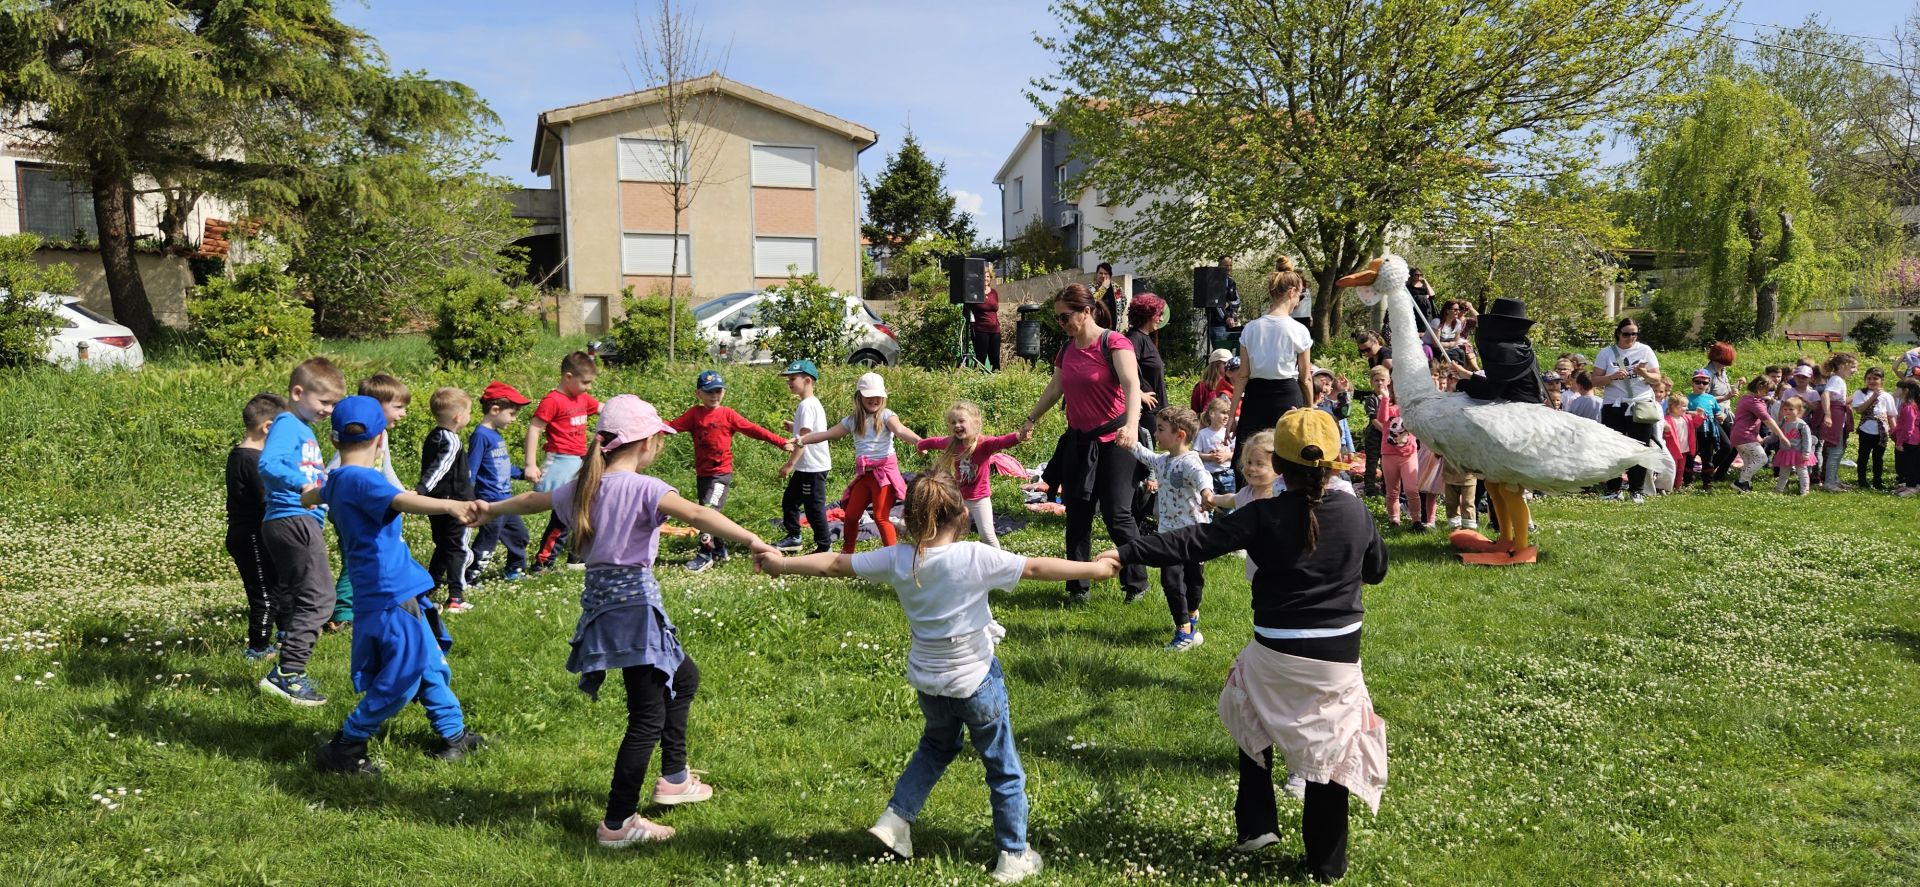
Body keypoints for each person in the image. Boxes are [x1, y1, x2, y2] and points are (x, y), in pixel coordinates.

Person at [757, 472, 1115, 884]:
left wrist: (782, 563)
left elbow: (836, 563)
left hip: (929, 682)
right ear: (962, 516)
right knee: (1004, 768)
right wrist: (1097, 568)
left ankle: (895, 821)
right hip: (976, 681)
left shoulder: (897, 558)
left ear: (908, 517)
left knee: (935, 747)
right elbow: (1034, 567)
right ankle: (1014, 855)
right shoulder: (973, 556)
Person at [1104, 408, 1387, 883]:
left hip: (1273, 655)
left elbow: (1192, 541)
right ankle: (1327, 864)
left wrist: (1126, 551)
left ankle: (1257, 824)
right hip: (1337, 663)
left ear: (1281, 466)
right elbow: (1376, 570)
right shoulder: (1356, 512)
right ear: (1334, 464)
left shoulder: (1262, 514)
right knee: (1334, 752)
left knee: (1242, 701)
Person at [483, 395, 781, 847]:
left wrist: (490, 508)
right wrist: (754, 540)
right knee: (646, 715)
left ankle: (675, 778)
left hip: (607, 605)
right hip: (635, 608)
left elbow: (530, 499)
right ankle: (618, 823)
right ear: (646, 445)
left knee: (684, 678)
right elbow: (700, 514)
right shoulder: (646, 488)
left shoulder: (584, 485)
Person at [308, 396, 485, 774]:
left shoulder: (338, 479)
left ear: (335, 441)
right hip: (390, 596)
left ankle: (454, 735)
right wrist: (450, 506)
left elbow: (316, 494)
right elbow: (401, 500)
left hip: (395, 590)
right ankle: (346, 744)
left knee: (428, 665)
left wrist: (300, 498)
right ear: (381, 437)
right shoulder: (365, 480)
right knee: (402, 676)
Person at [1020, 283, 1146, 604]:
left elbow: (1132, 386)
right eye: (1058, 319)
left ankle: (1136, 583)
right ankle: (1077, 587)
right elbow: (1055, 388)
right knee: (1077, 515)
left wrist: (1132, 426)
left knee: (1118, 515)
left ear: (1086, 311)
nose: (1061, 324)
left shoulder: (1114, 343)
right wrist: (1031, 419)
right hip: (1079, 442)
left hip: (1116, 439)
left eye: (1065, 317)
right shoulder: (1067, 350)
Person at [256, 357, 345, 706]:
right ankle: (287, 674)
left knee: (304, 597)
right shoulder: (288, 425)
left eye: (334, 404)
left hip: (296, 520)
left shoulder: (302, 430)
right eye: (324, 402)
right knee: (322, 599)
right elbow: (268, 464)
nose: (329, 410)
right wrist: (306, 485)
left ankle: (290, 669)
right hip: (293, 518)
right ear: (297, 392)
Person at [668, 369, 793, 572]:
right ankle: (719, 550)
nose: (714, 396)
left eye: (718, 391)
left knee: (707, 512)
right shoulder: (694, 414)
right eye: (709, 392)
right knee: (710, 512)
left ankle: (705, 554)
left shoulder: (728, 415)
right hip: (703, 475)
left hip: (720, 474)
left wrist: (780, 442)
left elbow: (754, 429)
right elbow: (671, 427)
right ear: (698, 393)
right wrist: (646, 427)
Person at [793, 372, 923, 553]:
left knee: (880, 517)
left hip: (883, 476)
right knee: (852, 515)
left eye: (877, 396)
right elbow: (828, 434)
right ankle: (847, 553)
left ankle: (893, 557)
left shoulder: (886, 416)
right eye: (869, 396)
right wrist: (802, 440)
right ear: (859, 397)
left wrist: (918, 441)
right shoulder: (853, 420)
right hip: (864, 476)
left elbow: (901, 430)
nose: (874, 399)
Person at [325, 373, 410, 633]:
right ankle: (342, 612)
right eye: (398, 407)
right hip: (352, 507)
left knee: (371, 555)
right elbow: (333, 472)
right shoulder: (358, 442)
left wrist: (402, 494)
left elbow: (386, 470)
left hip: (368, 505)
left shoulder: (380, 436)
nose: (403, 413)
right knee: (356, 558)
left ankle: (365, 602)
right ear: (375, 406)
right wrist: (328, 502)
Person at [1129, 407, 1214, 651]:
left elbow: (1202, 478)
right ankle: (1183, 630)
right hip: (1167, 535)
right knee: (1170, 580)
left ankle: (1192, 613)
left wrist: (1207, 493)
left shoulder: (1190, 462)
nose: (1156, 434)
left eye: (1161, 429)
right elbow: (1146, 456)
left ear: (1181, 435)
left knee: (1194, 583)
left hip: (1193, 535)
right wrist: (1129, 443)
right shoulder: (1164, 460)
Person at [1230, 257, 1314, 481]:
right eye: (1300, 295)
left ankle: (1247, 505)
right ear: (1292, 292)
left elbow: (1243, 375)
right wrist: (1312, 409)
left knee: (1249, 454)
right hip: (1287, 397)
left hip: (1255, 397)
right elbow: (1305, 378)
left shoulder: (1250, 328)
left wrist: (1231, 416)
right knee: (1288, 455)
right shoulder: (1299, 330)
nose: (1299, 301)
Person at [526, 352, 601, 571]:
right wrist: (531, 463)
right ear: (568, 377)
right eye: (585, 382)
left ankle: (577, 556)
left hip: (580, 460)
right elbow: (535, 428)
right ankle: (543, 561)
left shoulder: (582, 398)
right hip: (561, 461)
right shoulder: (553, 401)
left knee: (584, 507)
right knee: (563, 511)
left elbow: (601, 409)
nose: (588, 387)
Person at [227, 392, 287, 661]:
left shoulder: (244, 455)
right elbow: (268, 501)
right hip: (251, 536)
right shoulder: (252, 461)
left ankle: (287, 633)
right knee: (264, 594)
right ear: (269, 428)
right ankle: (259, 648)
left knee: (281, 585)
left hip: (260, 535)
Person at [915, 401, 1023, 549]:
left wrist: (1018, 436)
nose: (957, 425)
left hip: (980, 498)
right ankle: (953, 559)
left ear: (975, 422)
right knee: (953, 535)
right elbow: (934, 442)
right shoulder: (952, 443)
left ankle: (1000, 561)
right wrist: (920, 446)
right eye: (953, 423)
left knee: (987, 535)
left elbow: (1002, 441)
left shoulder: (984, 444)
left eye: (961, 421)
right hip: (958, 498)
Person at [466, 381, 532, 586]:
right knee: (487, 543)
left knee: (520, 535)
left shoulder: (494, 435)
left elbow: (502, 466)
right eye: (512, 414)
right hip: (490, 502)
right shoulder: (480, 435)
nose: (514, 419)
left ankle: (514, 570)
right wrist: (469, 499)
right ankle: (469, 578)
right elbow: (471, 469)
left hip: (507, 501)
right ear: (495, 409)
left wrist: (523, 474)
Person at [1594, 317, 1662, 502]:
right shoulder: (1606, 353)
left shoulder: (1645, 350)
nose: (1630, 337)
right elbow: (1594, 380)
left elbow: (1657, 379)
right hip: (1614, 405)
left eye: (1634, 334)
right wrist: (1612, 377)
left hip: (1640, 405)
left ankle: (1636, 490)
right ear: (1618, 333)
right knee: (1612, 448)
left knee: (1639, 448)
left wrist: (1643, 373)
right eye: (1626, 334)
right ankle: (1613, 490)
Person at [776, 359, 834, 554]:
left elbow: (805, 439)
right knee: (790, 501)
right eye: (788, 379)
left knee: (813, 508)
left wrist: (789, 464)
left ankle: (824, 546)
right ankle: (794, 537)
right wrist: (794, 427)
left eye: (793, 378)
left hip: (813, 467)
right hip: (806, 466)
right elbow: (809, 430)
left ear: (807, 380)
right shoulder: (807, 404)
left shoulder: (807, 405)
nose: (789, 383)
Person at [1372, 365, 1430, 529]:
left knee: (1412, 489)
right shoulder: (1388, 405)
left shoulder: (1409, 408)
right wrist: (1384, 398)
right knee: (1392, 491)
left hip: (1408, 454)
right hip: (1389, 454)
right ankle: (1394, 520)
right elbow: (1383, 419)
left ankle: (1416, 520)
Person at [1125, 293, 1169, 445]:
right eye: (1159, 315)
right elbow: (1120, 369)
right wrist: (1139, 394)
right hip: (1145, 412)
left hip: (1155, 411)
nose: (1162, 319)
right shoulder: (1134, 339)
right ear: (1147, 314)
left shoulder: (1145, 338)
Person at [1730, 376, 1786, 493]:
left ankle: (1745, 486)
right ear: (1760, 387)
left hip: (1739, 435)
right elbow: (1768, 420)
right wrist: (1781, 435)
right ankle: (1741, 482)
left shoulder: (1746, 398)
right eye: (1766, 391)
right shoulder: (1753, 402)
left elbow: (1749, 420)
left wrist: (1756, 436)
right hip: (1744, 436)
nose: (1768, 394)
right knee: (1762, 458)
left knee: (1749, 461)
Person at [1817, 353, 1858, 492]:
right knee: (1835, 451)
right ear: (1842, 366)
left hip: (1838, 416)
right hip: (1835, 417)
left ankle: (1834, 480)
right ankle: (1829, 482)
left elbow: (1840, 400)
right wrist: (1828, 415)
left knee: (1838, 450)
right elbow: (1825, 395)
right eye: (1852, 367)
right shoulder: (1837, 380)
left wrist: (1856, 395)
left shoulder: (1838, 379)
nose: (1855, 370)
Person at [1685, 371, 1728, 492]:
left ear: (1708, 384)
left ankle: (1707, 482)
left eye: (1705, 382)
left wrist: (1722, 416)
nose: (1701, 385)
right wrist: (1694, 413)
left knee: (1707, 456)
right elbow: (1682, 412)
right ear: (1692, 383)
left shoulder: (1711, 398)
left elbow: (1717, 412)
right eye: (1698, 382)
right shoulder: (1688, 398)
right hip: (1693, 431)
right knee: (1690, 456)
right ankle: (1688, 481)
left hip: (1708, 430)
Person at [1853, 366, 1894, 491]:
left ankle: (1877, 481)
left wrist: (1895, 431)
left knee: (1878, 457)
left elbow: (1891, 415)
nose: (1871, 381)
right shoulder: (1860, 393)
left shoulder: (1887, 396)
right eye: (1869, 378)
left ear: (1882, 380)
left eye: (1875, 378)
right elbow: (1859, 410)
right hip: (1866, 430)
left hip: (1881, 432)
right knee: (1863, 456)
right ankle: (1862, 481)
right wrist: (1872, 397)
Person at [1769, 397, 1817, 495]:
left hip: (1798, 453)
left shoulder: (1801, 425)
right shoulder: (1782, 422)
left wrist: (1806, 453)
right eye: (1785, 409)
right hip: (1785, 453)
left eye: (1791, 409)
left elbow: (1807, 440)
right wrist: (1765, 440)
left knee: (1802, 472)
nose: (1787, 411)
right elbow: (1775, 435)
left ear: (1799, 410)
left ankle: (1804, 491)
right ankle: (1779, 490)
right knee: (1783, 473)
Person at [1194, 397, 1237, 495]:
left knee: (1230, 506)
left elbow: (1236, 452)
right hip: (1209, 475)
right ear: (1212, 414)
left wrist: (1226, 456)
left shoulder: (1229, 434)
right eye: (1223, 413)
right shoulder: (1203, 434)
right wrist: (1210, 457)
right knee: (1209, 503)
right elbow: (1195, 454)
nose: (1226, 416)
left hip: (1228, 474)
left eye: (1228, 414)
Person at [968, 265, 1003, 371]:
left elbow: (995, 308)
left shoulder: (994, 293)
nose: (986, 279)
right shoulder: (975, 293)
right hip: (980, 330)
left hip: (995, 330)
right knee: (980, 360)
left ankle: (996, 382)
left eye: (988, 277)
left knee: (995, 360)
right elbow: (967, 310)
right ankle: (978, 383)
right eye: (984, 276)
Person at [1662, 395, 1697, 492]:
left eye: (1686, 406)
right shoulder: (1667, 419)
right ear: (1673, 406)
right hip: (1672, 449)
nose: (1686, 408)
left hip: (1684, 448)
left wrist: (1700, 415)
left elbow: (1697, 423)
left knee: (1681, 469)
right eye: (1683, 406)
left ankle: (1678, 486)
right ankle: (1668, 486)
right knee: (1672, 468)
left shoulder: (1687, 418)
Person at [1431, 299, 1478, 369]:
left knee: (1464, 348)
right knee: (1463, 349)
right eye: (1461, 308)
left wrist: (1471, 308)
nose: (1463, 310)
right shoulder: (1440, 321)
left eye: (1466, 309)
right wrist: (1452, 343)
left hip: (1458, 345)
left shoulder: (1465, 321)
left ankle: (1476, 370)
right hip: (1447, 345)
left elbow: (1481, 321)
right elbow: (1436, 342)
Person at [1893, 379, 1920, 495]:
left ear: (1906, 391)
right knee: (1907, 463)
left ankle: (1913, 486)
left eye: (1898, 388)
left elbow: (1909, 428)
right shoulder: (1906, 405)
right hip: (1907, 439)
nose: (1895, 390)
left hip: (1910, 440)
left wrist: (1899, 442)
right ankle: (1909, 484)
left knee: (1911, 464)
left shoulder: (1909, 407)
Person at [1208, 256, 1242, 347]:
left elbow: (1237, 301)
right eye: (1226, 265)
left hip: (1231, 324)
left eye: (1230, 265)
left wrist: (1229, 304)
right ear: (1219, 266)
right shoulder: (1213, 282)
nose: (1229, 268)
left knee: (1231, 354)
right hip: (1218, 325)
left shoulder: (1231, 282)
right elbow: (1215, 304)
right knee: (1220, 356)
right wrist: (1226, 317)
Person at [1091, 262, 1120, 326]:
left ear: (1110, 275)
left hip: (1113, 326)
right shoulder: (1091, 287)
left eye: (1106, 273)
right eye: (1100, 273)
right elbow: (1092, 301)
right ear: (1097, 274)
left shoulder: (1116, 288)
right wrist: (1103, 288)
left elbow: (1122, 303)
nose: (1103, 276)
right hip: (1097, 325)